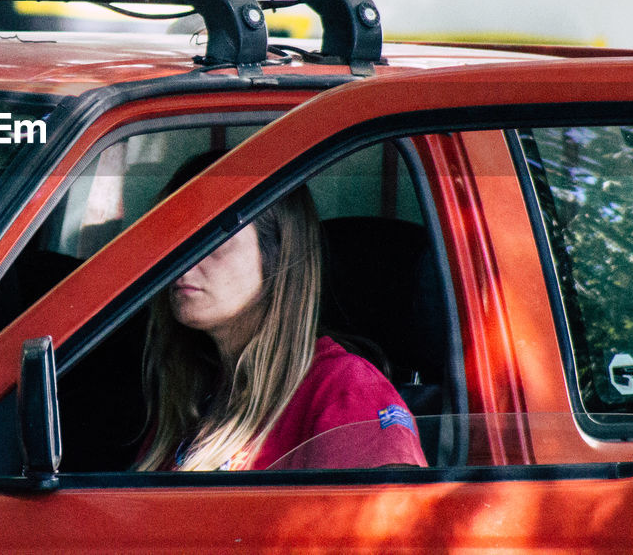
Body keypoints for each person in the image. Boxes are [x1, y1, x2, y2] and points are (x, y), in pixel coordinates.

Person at [137, 158, 427, 472]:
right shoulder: (198, 395)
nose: (183, 261)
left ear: (276, 255)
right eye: (175, 238)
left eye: (211, 238)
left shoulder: (346, 392)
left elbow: (383, 518)